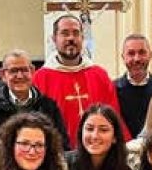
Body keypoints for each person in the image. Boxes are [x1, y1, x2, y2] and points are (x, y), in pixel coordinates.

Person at [33, 15, 124, 147]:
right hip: (56, 153)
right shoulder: (40, 78)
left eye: (76, 33)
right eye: (65, 33)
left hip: (97, 151)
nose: (71, 38)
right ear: (54, 39)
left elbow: (113, 117)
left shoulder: (99, 75)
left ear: (82, 38)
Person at [0, 49, 70, 149]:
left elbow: (61, 145)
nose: (20, 76)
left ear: (33, 71)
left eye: (25, 70)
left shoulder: (49, 106)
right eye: (13, 71)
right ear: (3, 75)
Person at [113, 33, 152, 139]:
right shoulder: (112, 90)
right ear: (123, 57)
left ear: (150, 55)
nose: (137, 59)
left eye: (142, 52)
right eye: (131, 53)